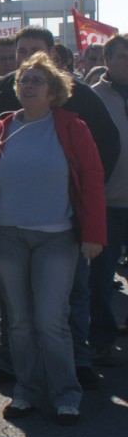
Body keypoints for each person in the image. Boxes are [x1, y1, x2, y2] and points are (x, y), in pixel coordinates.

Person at [0, 26, 119, 390]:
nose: (27, 80)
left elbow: (95, 170)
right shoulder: (3, 118)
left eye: (36, 77)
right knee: (18, 317)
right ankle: (23, 383)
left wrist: (90, 230)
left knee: (58, 314)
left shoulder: (76, 116)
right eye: (23, 74)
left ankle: (72, 377)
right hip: (9, 236)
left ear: (53, 85)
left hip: (59, 235)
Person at [87, 34, 128, 365]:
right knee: (101, 278)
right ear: (108, 60)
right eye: (123, 56)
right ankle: (101, 337)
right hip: (107, 204)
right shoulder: (93, 98)